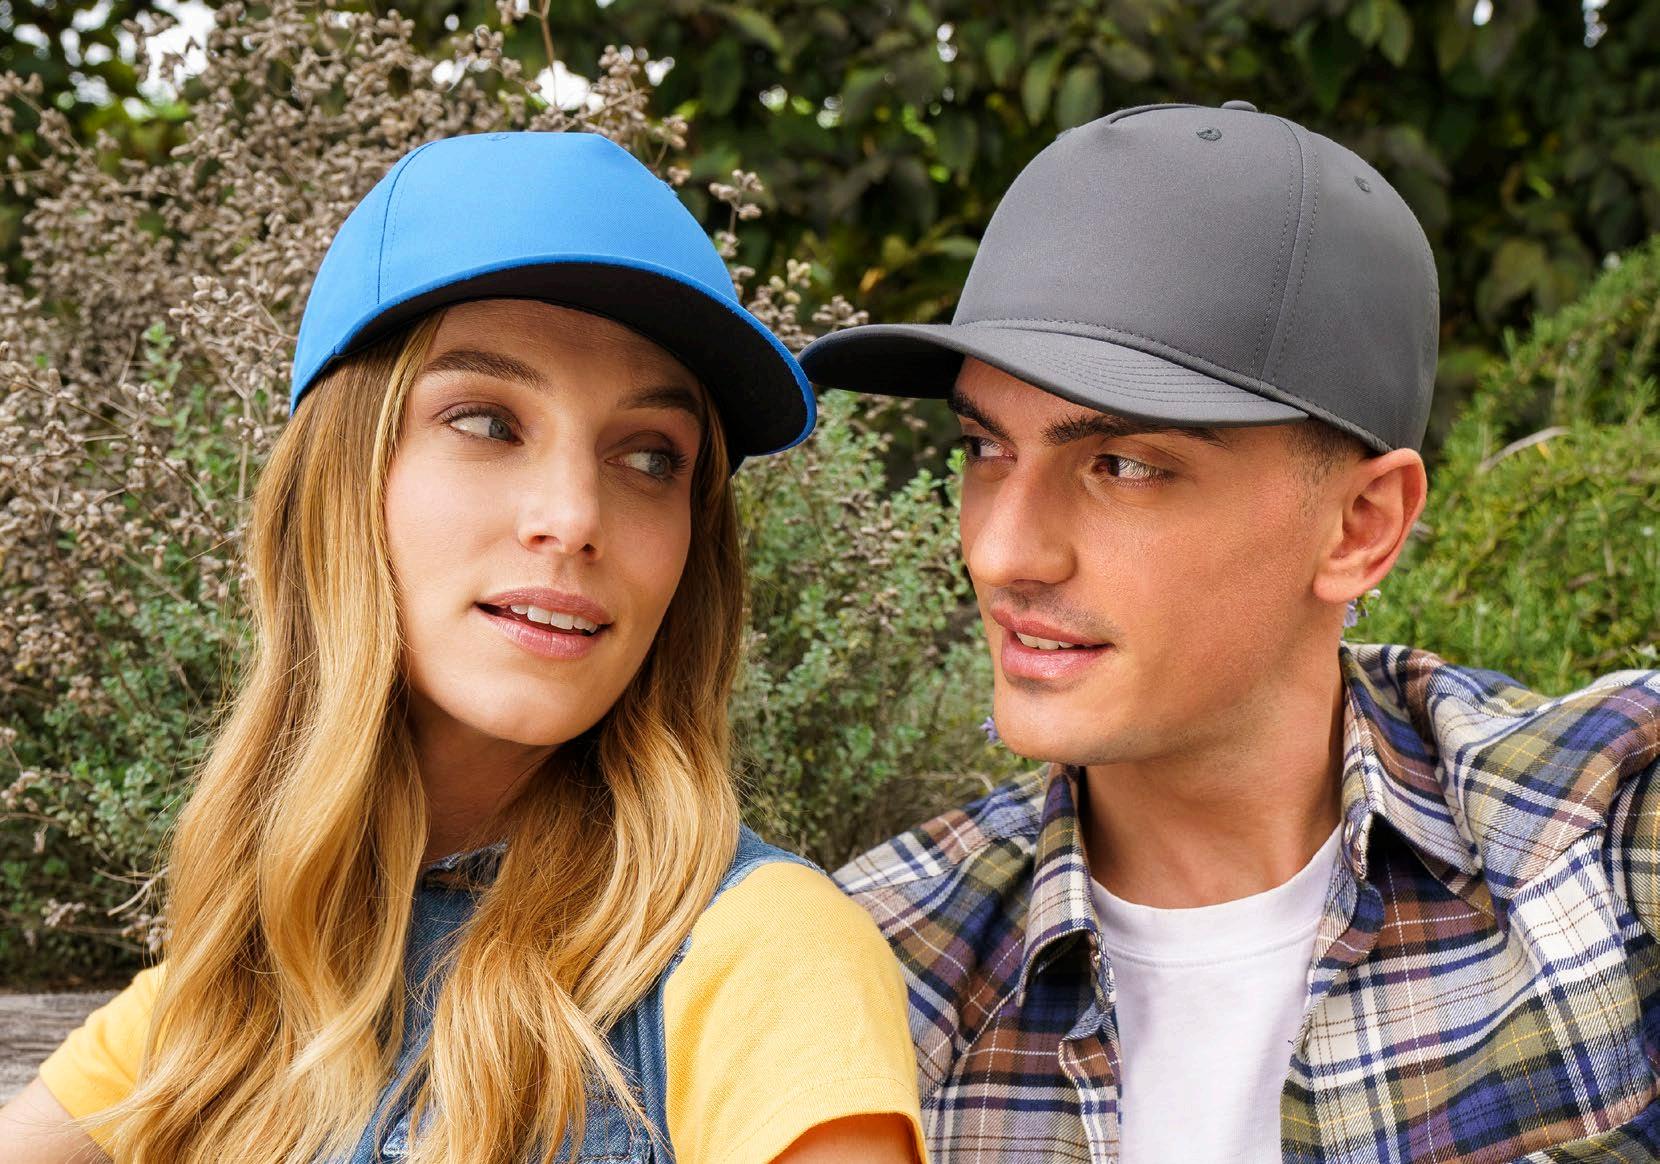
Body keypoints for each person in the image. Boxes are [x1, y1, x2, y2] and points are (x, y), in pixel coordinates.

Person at [0, 131, 924, 1164]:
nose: (573, 517)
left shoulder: (765, 956)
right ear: (340, 483)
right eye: (487, 422)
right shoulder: (235, 986)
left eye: (649, 457)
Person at [799, 101, 1660, 1161]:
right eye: (985, 449)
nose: (1001, 553)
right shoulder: (869, 971)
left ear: (1360, 526)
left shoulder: (1602, 834)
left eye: (1122, 465)